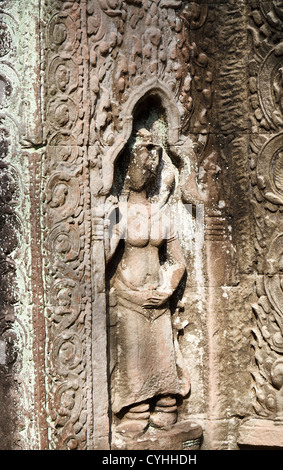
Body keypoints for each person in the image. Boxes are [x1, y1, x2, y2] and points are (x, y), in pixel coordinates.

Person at [105, 128, 190, 436]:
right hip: (129, 300)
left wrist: (167, 289)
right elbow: (100, 261)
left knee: (163, 356)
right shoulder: (118, 213)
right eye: (141, 162)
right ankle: (137, 409)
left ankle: (167, 404)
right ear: (126, 169)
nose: (147, 170)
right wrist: (110, 226)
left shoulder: (161, 216)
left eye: (153, 164)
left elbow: (177, 260)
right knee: (135, 359)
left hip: (159, 300)